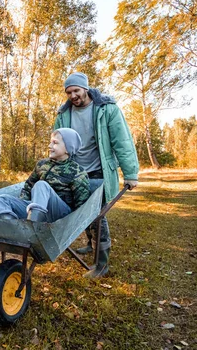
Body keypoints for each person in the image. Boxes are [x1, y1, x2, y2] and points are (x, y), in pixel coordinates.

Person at [54, 72, 139, 278]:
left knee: (97, 214)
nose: (73, 95)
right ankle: (91, 244)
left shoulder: (106, 109)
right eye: (69, 92)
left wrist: (130, 173)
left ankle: (102, 265)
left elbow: (122, 141)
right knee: (81, 208)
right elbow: (57, 143)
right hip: (75, 172)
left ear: (86, 88)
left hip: (99, 170)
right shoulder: (64, 114)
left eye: (76, 90)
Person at [0, 128, 91, 223]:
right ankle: (10, 226)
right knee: (3, 199)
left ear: (68, 148)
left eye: (55, 142)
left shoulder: (78, 172)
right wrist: (23, 205)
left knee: (41, 185)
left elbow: (82, 206)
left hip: (60, 215)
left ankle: (33, 225)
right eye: (50, 142)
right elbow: (28, 187)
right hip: (37, 209)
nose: (50, 146)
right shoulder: (42, 164)